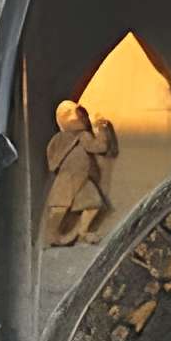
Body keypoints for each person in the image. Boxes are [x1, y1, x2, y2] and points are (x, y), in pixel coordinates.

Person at [43, 98, 119, 246]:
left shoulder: (81, 136)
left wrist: (102, 130)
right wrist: (102, 129)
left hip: (82, 178)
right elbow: (52, 156)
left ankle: (82, 231)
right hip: (68, 177)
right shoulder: (67, 137)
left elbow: (98, 147)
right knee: (59, 206)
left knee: (93, 203)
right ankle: (52, 235)